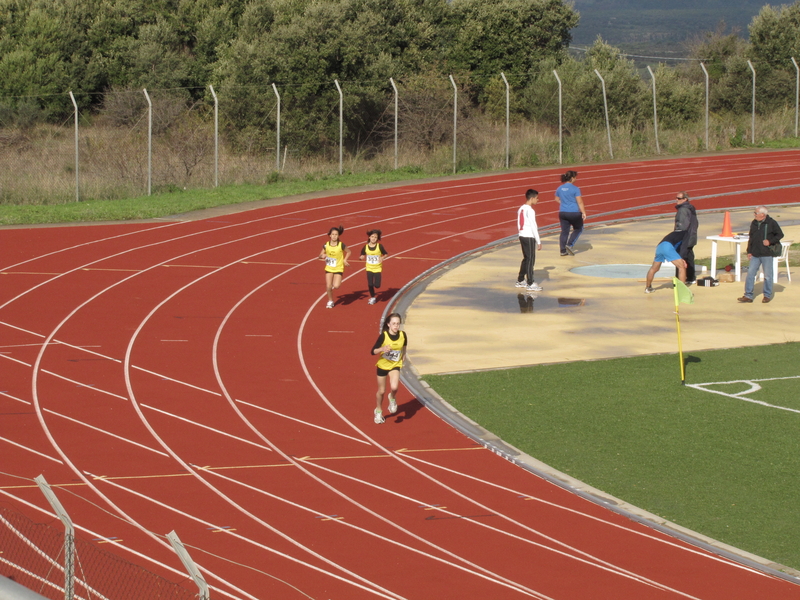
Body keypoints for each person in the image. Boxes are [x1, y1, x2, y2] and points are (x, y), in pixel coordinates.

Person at [738, 206, 784, 304]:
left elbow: (780, 234)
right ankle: (748, 295)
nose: (754, 214)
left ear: (762, 214)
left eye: (755, 213)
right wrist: (749, 251)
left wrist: (770, 241)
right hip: (755, 253)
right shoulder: (754, 223)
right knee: (750, 274)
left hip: (767, 253)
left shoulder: (771, 223)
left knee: (768, 275)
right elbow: (751, 237)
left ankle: (767, 295)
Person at [371, 313, 407, 424]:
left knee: (394, 387)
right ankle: (378, 410)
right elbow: (373, 351)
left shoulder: (403, 335)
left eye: (398, 323)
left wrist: (402, 359)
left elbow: (404, 348)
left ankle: (392, 397)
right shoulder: (384, 336)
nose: (396, 326)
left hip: (395, 365)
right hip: (382, 365)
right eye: (394, 324)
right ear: (389, 324)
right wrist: (382, 348)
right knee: (381, 391)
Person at [514, 189, 543, 292]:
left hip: (522, 235)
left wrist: (520, 233)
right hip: (529, 236)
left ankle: (520, 280)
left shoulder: (521, 208)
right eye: (537, 198)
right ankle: (530, 283)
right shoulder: (530, 210)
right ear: (532, 198)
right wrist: (538, 241)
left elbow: (518, 223)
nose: (538, 200)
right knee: (531, 259)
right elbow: (533, 226)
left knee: (526, 258)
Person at [555, 170, 586, 256]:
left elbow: (556, 199)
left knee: (564, 231)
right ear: (572, 178)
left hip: (563, 212)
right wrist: (583, 212)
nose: (576, 179)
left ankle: (562, 250)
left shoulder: (560, 188)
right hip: (574, 213)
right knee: (579, 228)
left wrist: (564, 203)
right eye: (575, 177)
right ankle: (570, 244)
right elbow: (580, 202)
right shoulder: (575, 189)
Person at [319, 225, 351, 308]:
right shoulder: (326, 245)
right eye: (332, 234)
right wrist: (322, 255)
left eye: (336, 234)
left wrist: (345, 260)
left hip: (338, 268)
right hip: (329, 267)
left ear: (338, 236)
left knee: (336, 286)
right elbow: (320, 255)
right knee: (328, 286)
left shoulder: (341, 245)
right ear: (330, 235)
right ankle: (330, 301)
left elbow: (349, 252)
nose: (334, 236)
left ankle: (333, 290)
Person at [674, 192, 698, 284]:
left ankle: (679, 280)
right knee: (689, 257)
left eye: (679, 198)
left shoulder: (683, 210)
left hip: (685, 238)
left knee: (679, 258)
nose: (677, 200)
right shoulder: (690, 209)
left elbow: (682, 226)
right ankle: (691, 278)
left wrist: (677, 237)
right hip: (691, 237)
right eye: (676, 198)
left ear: (685, 199)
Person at [360, 229, 388, 305]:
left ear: (377, 239)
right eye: (372, 237)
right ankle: (372, 297)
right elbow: (362, 254)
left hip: (377, 268)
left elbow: (386, 254)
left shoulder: (379, 246)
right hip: (369, 268)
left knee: (377, 285)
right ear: (369, 237)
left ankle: (374, 294)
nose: (373, 238)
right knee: (370, 284)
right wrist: (361, 257)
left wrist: (382, 258)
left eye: (375, 237)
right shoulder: (365, 247)